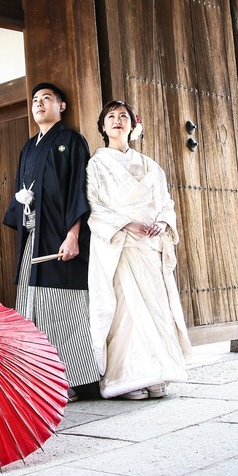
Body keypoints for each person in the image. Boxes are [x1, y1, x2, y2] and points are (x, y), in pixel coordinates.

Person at [86, 100, 192, 400]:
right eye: (110, 116)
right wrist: (126, 224)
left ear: (133, 125)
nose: (117, 120)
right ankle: (127, 377)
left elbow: (166, 202)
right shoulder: (96, 165)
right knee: (126, 311)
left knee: (155, 308)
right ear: (103, 126)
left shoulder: (150, 165)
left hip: (149, 246)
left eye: (124, 116)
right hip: (120, 245)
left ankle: (159, 372)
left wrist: (162, 222)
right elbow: (93, 205)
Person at [3, 82, 100, 401]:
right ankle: (41, 380)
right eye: (35, 100)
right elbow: (21, 194)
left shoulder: (72, 141)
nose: (39, 103)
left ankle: (75, 381)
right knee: (30, 307)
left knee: (64, 309)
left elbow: (78, 190)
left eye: (47, 98)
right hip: (34, 237)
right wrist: (21, 204)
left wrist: (73, 235)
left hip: (61, 239)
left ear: (62, 106)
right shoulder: (28, 148)